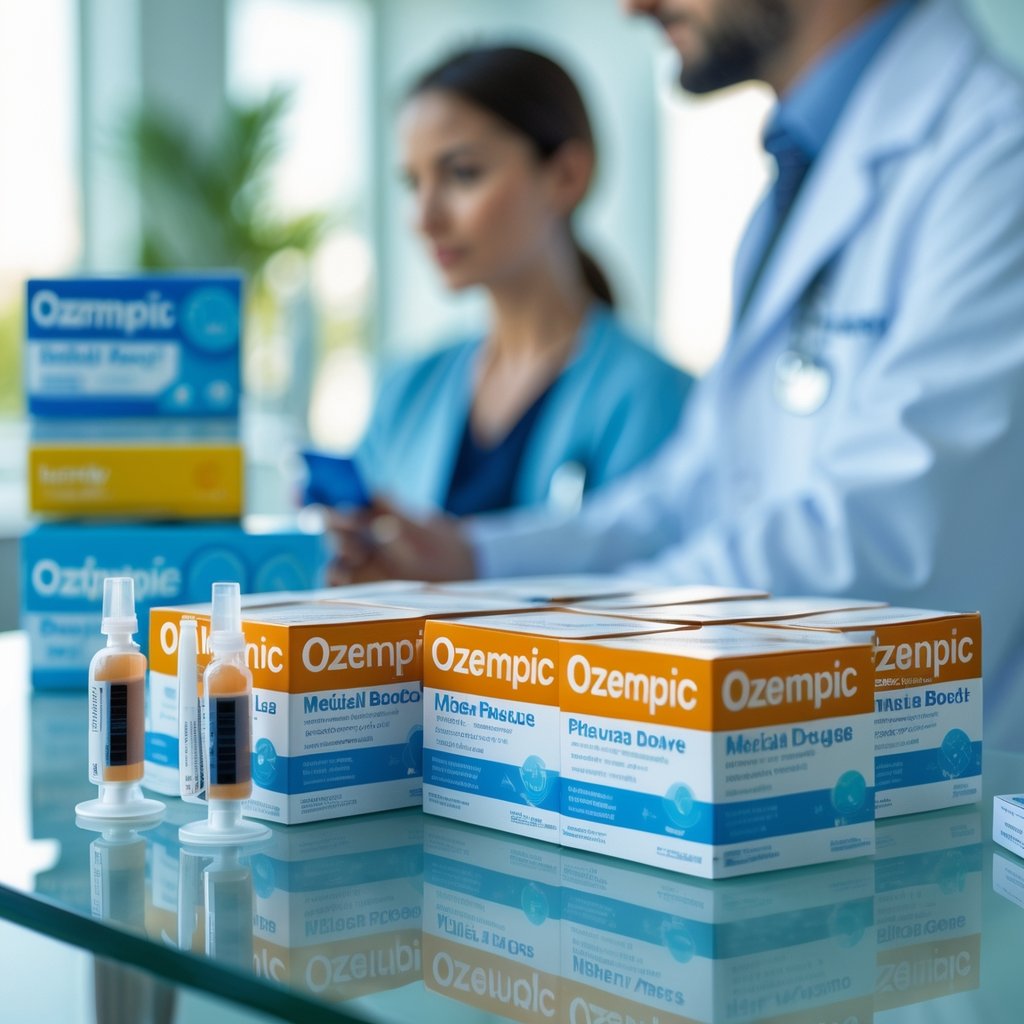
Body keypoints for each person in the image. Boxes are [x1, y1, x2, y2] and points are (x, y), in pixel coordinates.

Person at [329, 0, 1024, 750]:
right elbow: (689, 493)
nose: (632, 6)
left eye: (461, 172)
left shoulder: (994, 157)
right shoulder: (800, 181)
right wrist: (479, 560)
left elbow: (889, 540)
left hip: (938, 796)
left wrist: (531, 615)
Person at [354, 45, 691, 517]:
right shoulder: (406, 391)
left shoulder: (652, 396)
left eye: (462, 174)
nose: (424, 218)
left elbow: (643, 572)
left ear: (567, 176)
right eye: (413, 183)